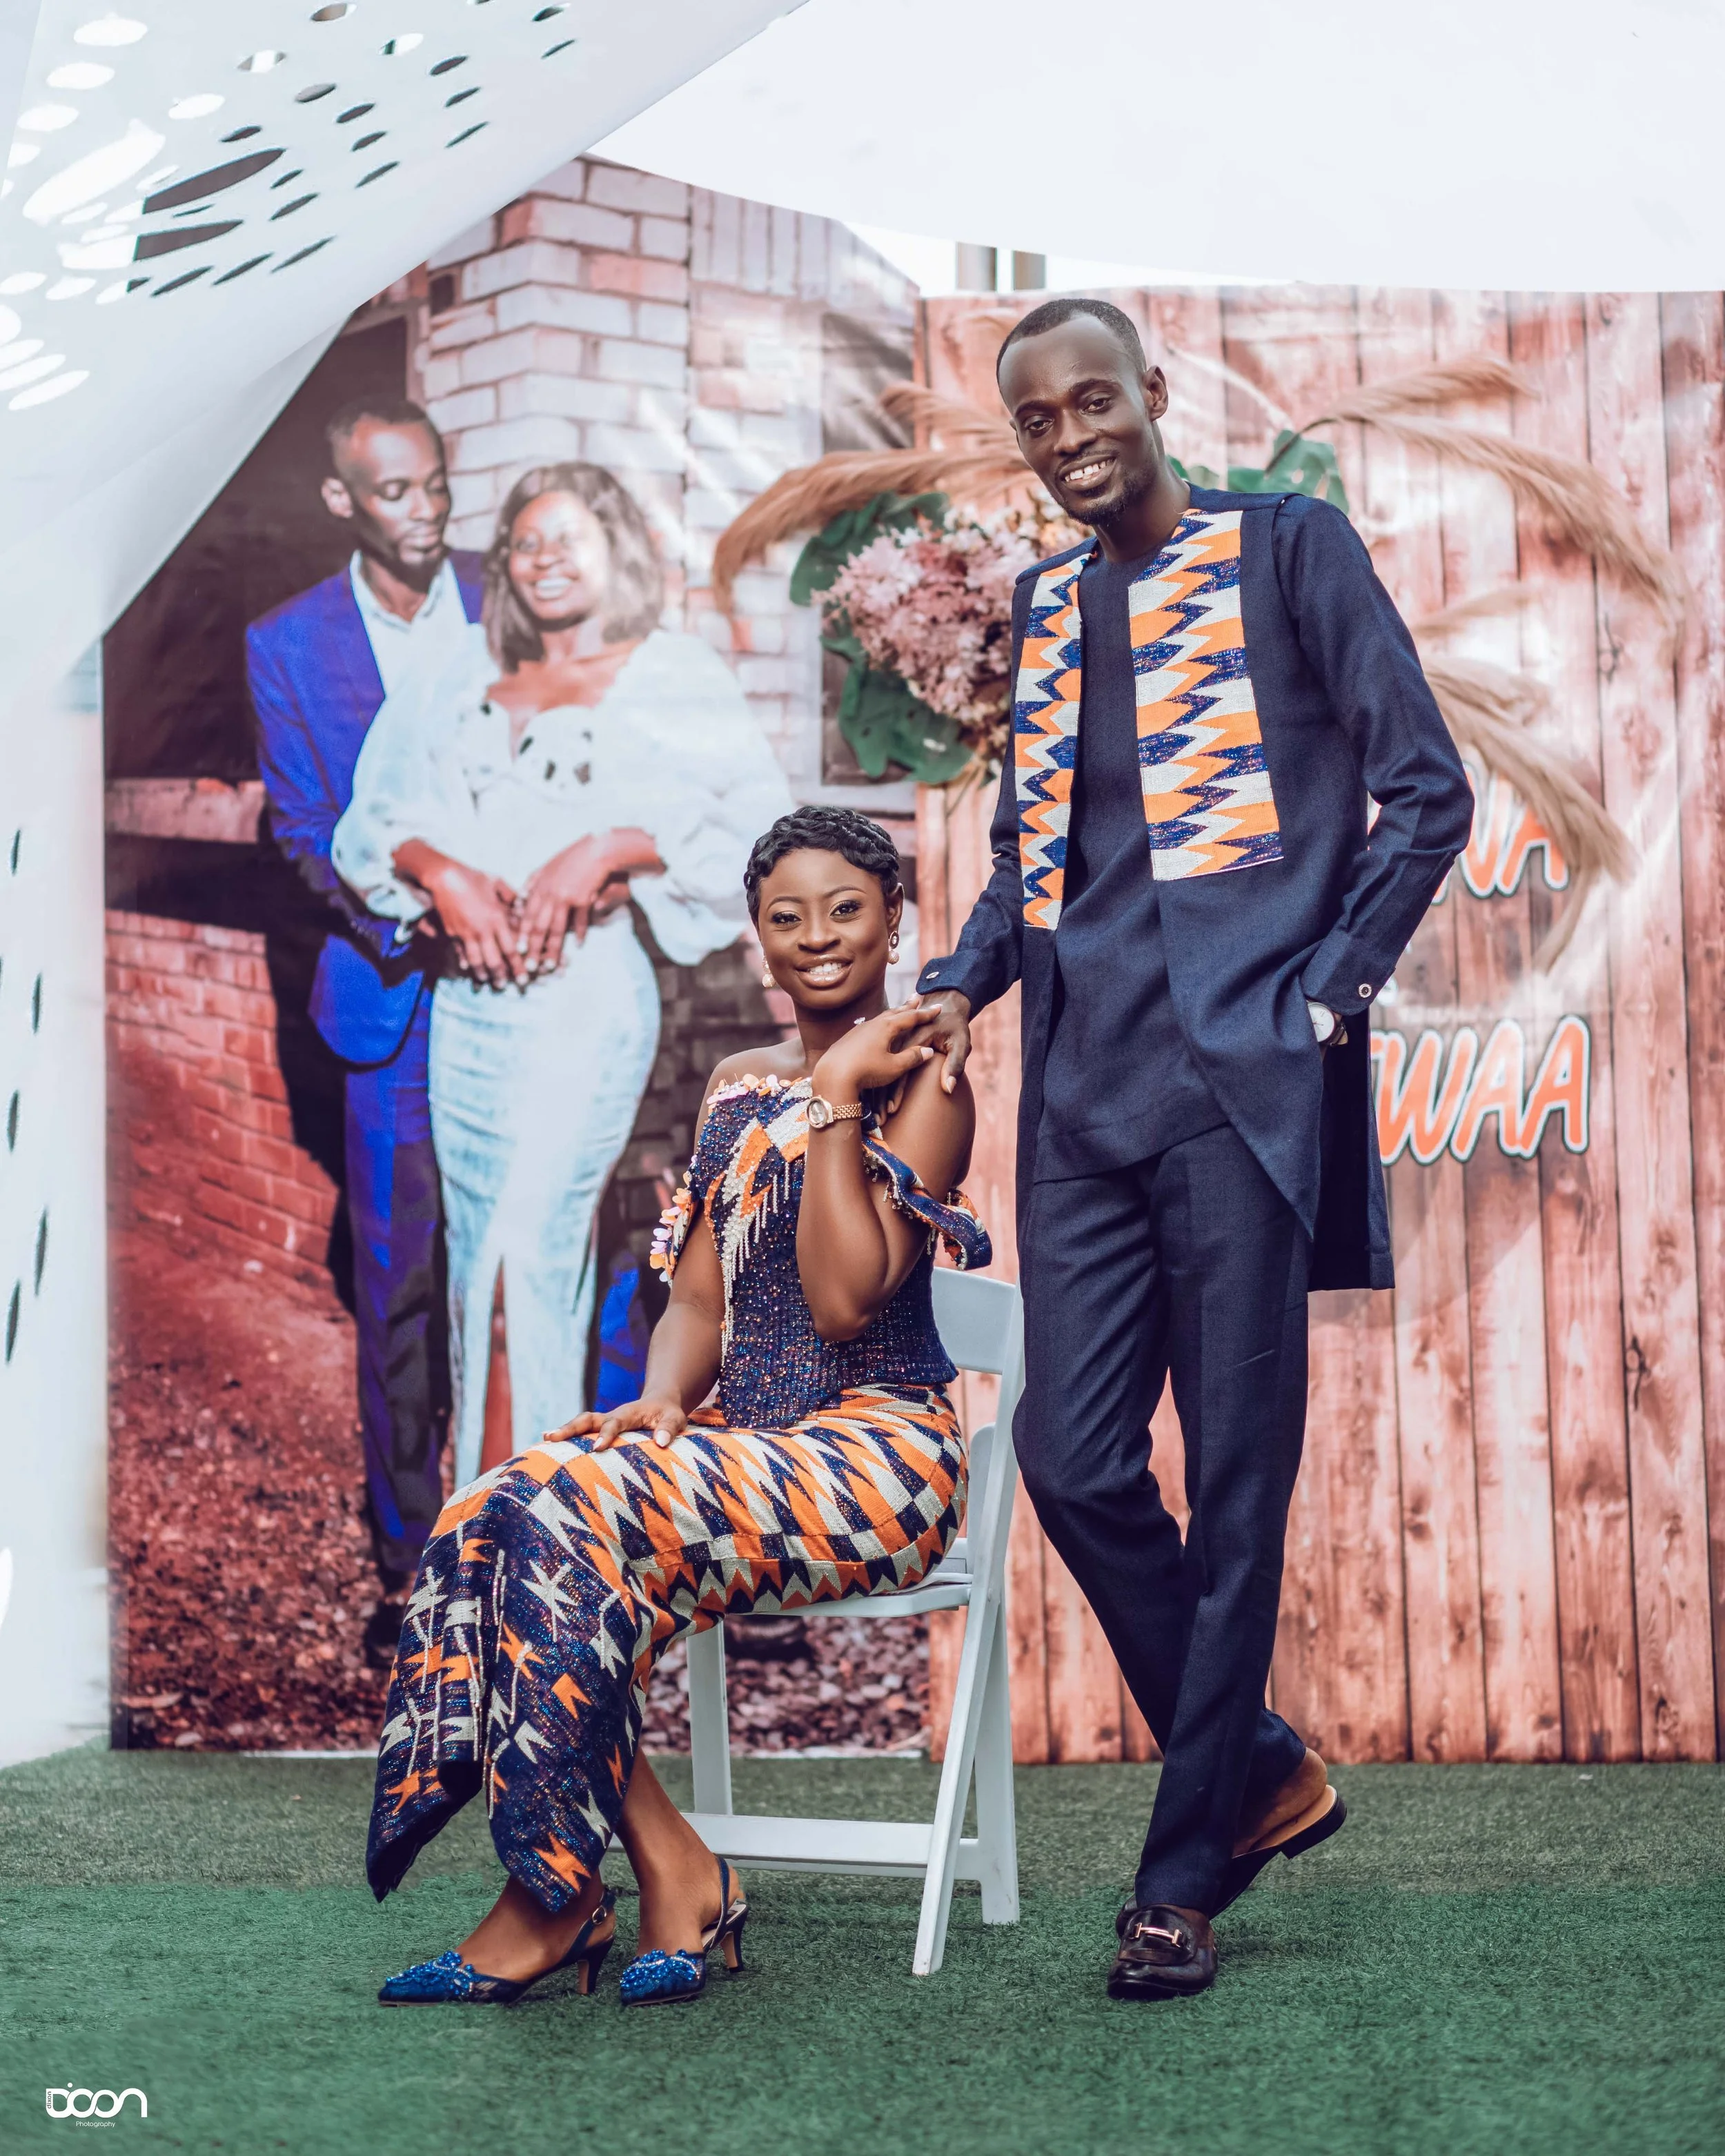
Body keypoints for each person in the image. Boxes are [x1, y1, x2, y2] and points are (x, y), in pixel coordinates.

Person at [914, 298, 1475, 2000]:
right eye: (1036, 419)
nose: (1069, 435)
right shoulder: (1045, 605)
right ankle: (1260, 1770)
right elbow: (1030, 861)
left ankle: (1177, 1880)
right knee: (1074, 1462)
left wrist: (1324, 993)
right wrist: (951, 989)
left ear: (1152, 395)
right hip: (1078, 1105)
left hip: (1238, 1096)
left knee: (1235, 1490)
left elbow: (1425, 788)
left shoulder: (1285, 552)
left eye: (1093, 400)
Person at [365, 806, 988, 2008]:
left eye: (846, 910)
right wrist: (656, 1403)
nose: (817, 937)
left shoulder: (927, 1080)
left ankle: (553, 1902)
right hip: (739, 1456)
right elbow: (699, 1301)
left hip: (878, 1461)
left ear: (895, 920)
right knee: (501, 1503)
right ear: (757, 936)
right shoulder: (735, 1084)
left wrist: (835, 1098)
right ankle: (664, 1869)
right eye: (787, 917)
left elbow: (845, 1301)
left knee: (561, 1522)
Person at [332, 462, 791, 1487]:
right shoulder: (460, 666)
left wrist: (613, 846)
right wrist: (440, 872)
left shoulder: (672, 671)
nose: (544, 560)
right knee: (475, 1275)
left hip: (586, 1010)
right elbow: (372, 819)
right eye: (526, 542)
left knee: (530, 1260)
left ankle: (530, 1529)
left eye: (568, 538)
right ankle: (484, 1525)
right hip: (468, 1013)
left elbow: (765, 834)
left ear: (615, 549)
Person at [248, 396, 482, 1663]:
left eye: (436, 484)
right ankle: (409, 1564)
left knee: (562, 1274)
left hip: (530, 995)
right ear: (344, 499)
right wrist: (417, 920)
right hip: (392, 1002)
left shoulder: (506, 594)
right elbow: (301, 826)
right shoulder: (287, 643)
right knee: (399, 1292)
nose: (426, 510)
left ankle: (560, 1541)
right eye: (397, 492)